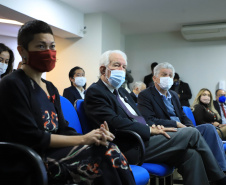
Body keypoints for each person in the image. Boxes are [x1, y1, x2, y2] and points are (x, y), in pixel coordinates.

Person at [0, 20, 136, 185]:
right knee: (103, 159)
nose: (49, 52)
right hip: (29, 160)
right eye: (41, 46)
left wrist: (94, 137)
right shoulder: (12, 84)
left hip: (54, 154)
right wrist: (83, 140)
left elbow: (63, 128)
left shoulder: (50, 87)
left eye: (52, 46)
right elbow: (33, 137)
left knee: (108, 147)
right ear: (23, 51)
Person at [84, 50, 226, 185]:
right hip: (128, 145)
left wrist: (152, 127)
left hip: (145, 138)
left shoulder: (122, 91)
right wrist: (149, 130)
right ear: (103, 70)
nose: (121, 70)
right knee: (192, 132)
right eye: (116, 65)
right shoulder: (95, 92)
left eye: (124, 67)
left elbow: (138, 117)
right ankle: (220, 178)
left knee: (191, 155)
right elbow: (114, 123)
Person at [137, 62, 226, 173]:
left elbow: (182, 115)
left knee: (209, 128)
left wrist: (189, 127)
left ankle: (221, 170)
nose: (168, 78)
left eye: (170, 76)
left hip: (185, 130)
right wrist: (176, 124)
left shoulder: (173, 95)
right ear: (154, 78)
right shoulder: (145, 95)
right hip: (168, 132)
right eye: (164, 75)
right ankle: (217, 175)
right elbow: (149, 120)